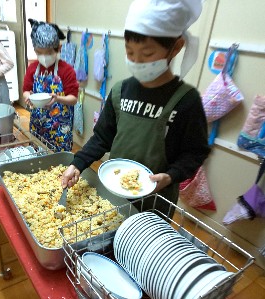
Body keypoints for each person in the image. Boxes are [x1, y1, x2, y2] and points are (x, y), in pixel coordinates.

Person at [62, 0, 211, 217]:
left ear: (176, 48)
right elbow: (102, 137)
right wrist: (77, 164)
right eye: (130, 52)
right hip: (113, 193)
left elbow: (195, 152)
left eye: (148, 54)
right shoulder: (121, 91)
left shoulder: (186, 101)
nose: (137, 61)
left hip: (155, 203)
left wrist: (171, 176)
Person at [23, 19, 79, 152]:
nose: (44, 57)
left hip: (60, 129)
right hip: (38, 125)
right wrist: (28, 97)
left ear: (58, 49)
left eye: (48, 53)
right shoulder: (32, 69)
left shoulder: (66, 70)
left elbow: (73, 99)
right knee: (38, 158)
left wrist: (58, 99)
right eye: (39, 53)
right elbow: (26, 90)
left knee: (59, 164)